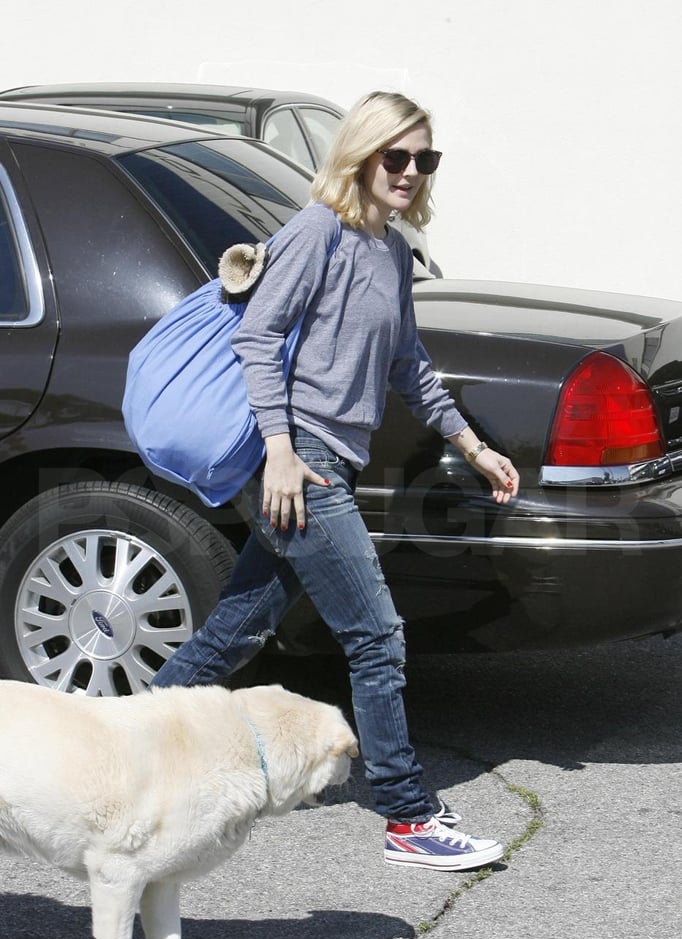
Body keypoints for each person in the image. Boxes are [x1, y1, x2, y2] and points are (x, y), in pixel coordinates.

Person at [152, 91, 520, 871]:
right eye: (396, 156)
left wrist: (471, 442)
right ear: (359, 155)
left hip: (327, 463)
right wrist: (279, 451)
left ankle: (119, 745)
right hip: (304, 465)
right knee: (377, 637)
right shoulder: (318, 232)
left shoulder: (389, 249)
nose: (411, 172)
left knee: (234, 633)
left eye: (426, 159)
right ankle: (407, 815)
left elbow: (407, 366)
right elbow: (258, 335)